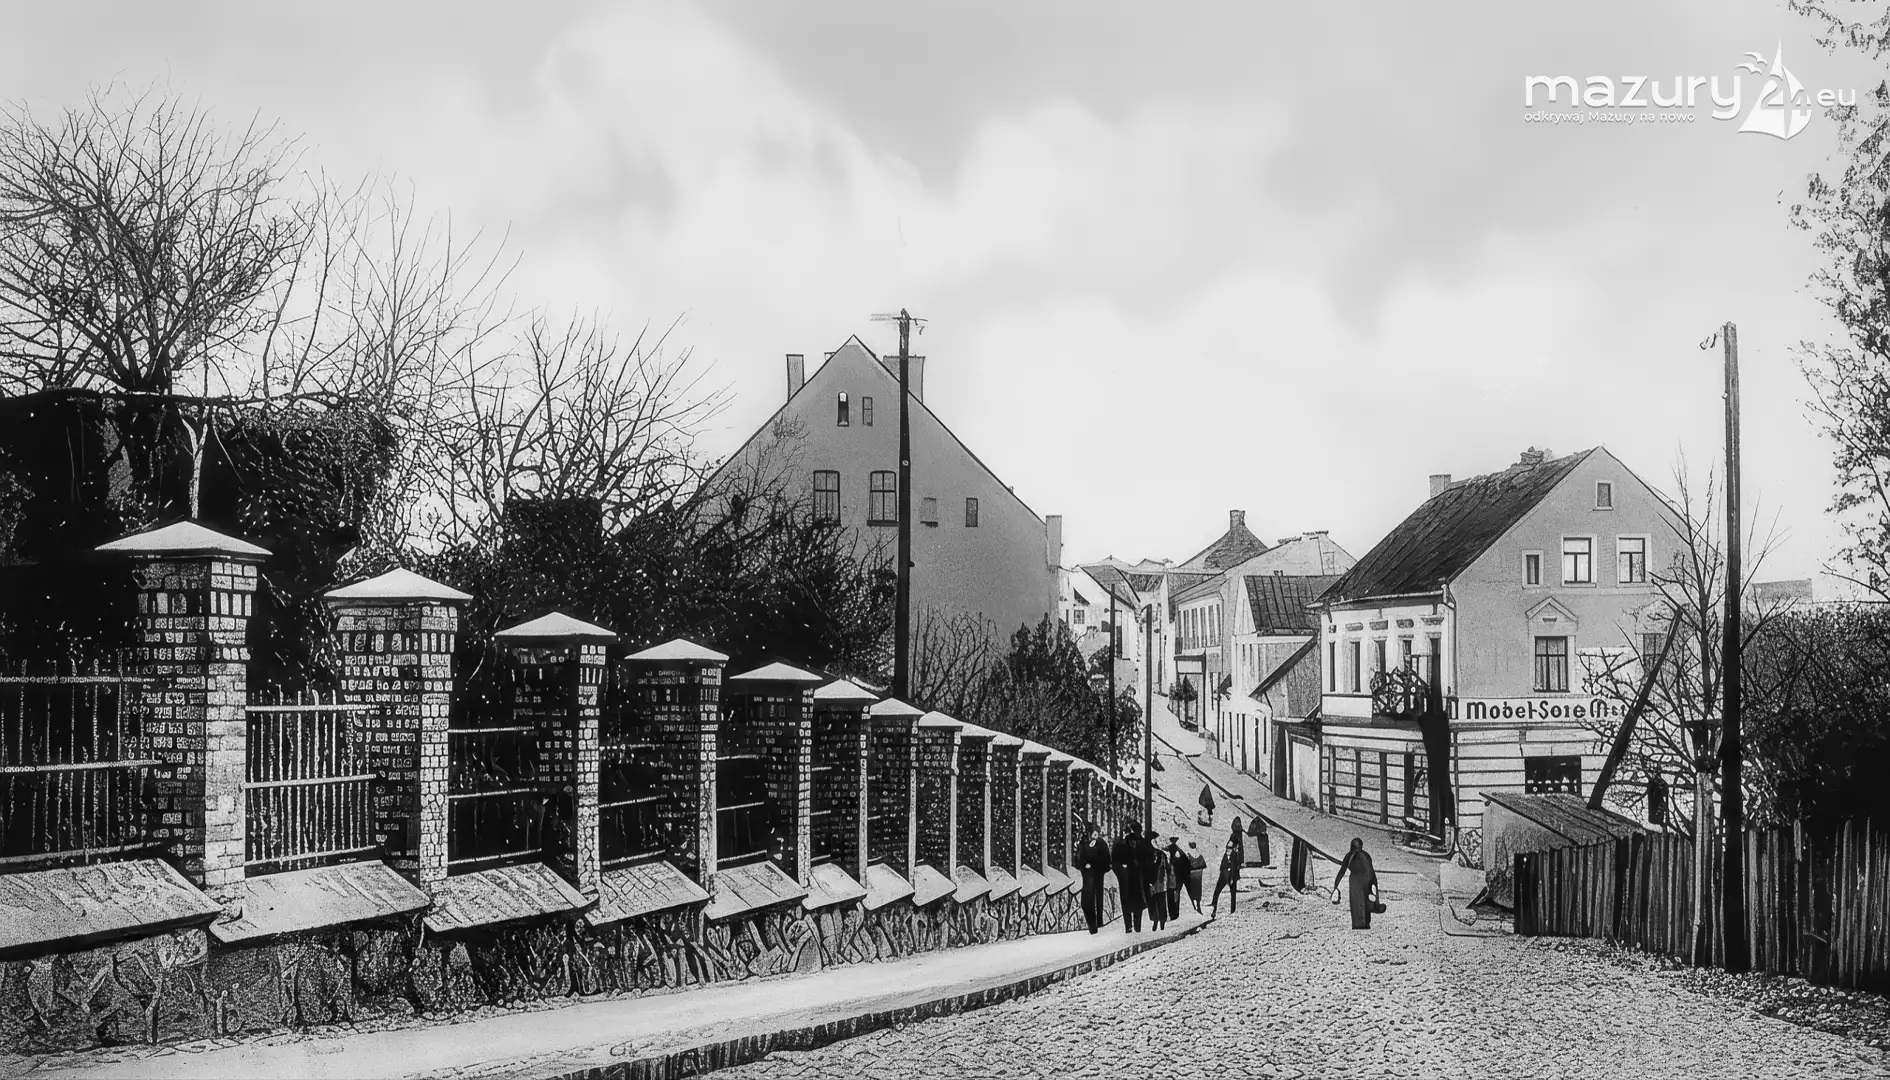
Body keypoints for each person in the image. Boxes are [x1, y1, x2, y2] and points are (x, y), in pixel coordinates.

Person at [1333, 836, 1379, 930]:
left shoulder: (1350, 855)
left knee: (1357, 903)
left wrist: (1336, 885)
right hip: (1363, 880)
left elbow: (1342, 871)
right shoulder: (1365, 855)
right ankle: (1364, 924)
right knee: (1364, 902)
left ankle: (1358, 924)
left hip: (1356, 881)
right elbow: (1371, 871)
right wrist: (1374, 883)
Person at [1076, 823, 1113, 934]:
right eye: (1093, 832)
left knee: (1098, 896)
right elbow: (1079, 858)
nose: (1095, 835)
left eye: (1096, 832)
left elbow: (1107, 859)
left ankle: (1099, 921)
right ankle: (1093, 924)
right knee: (1089, 899)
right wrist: (1084, 865)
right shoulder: (1084, 843)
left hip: (1098, 873)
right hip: (1088, 874)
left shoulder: (1101, 843)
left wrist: (1102, 868)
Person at [1111, 824, 1146, 932]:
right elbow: (1115, 863)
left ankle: (1137, 927)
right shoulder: (1122, 848)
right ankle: (1129, 927)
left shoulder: (1139, 848)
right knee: (1127, 904)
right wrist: (1122, 871)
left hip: (1136, 882)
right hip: (1126, 881)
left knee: (1137, 906)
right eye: (1132, 841)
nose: (1133, 843)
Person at [1209, 832, 1242, 916]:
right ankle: (1232, 910)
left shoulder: (1232, 851)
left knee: (1218, 892)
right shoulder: (1234, 851)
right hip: (1229, 875)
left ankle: (1214, 907)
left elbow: (1232, 865)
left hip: (1227, 874)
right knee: (1232, 894)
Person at [1148, 834, 1176, 930]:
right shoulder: (1156, 855)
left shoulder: (1160, 855)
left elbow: (1167, 868)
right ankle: (1158, 920)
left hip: (1159, 882)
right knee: (1157, 902)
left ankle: (1160, 921)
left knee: (1159, 902)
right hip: (1156, 882)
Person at [1165, 837, 1188, 921]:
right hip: (1175, 881)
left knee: (1172, 897)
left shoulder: (1172, 862)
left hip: (1173, 881)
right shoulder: (1177, 859)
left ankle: (1173, 914)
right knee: (1174, 897)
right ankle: (1174, 914)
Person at [1185, 841, 1207, 913]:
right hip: (1199, 874)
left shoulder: (1189, 854)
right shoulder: (1199, 853)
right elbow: (1203, 865)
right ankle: (1198, 905)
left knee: (1192, 888)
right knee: (1198, 888)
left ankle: (1194, 905)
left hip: (1192, 874)